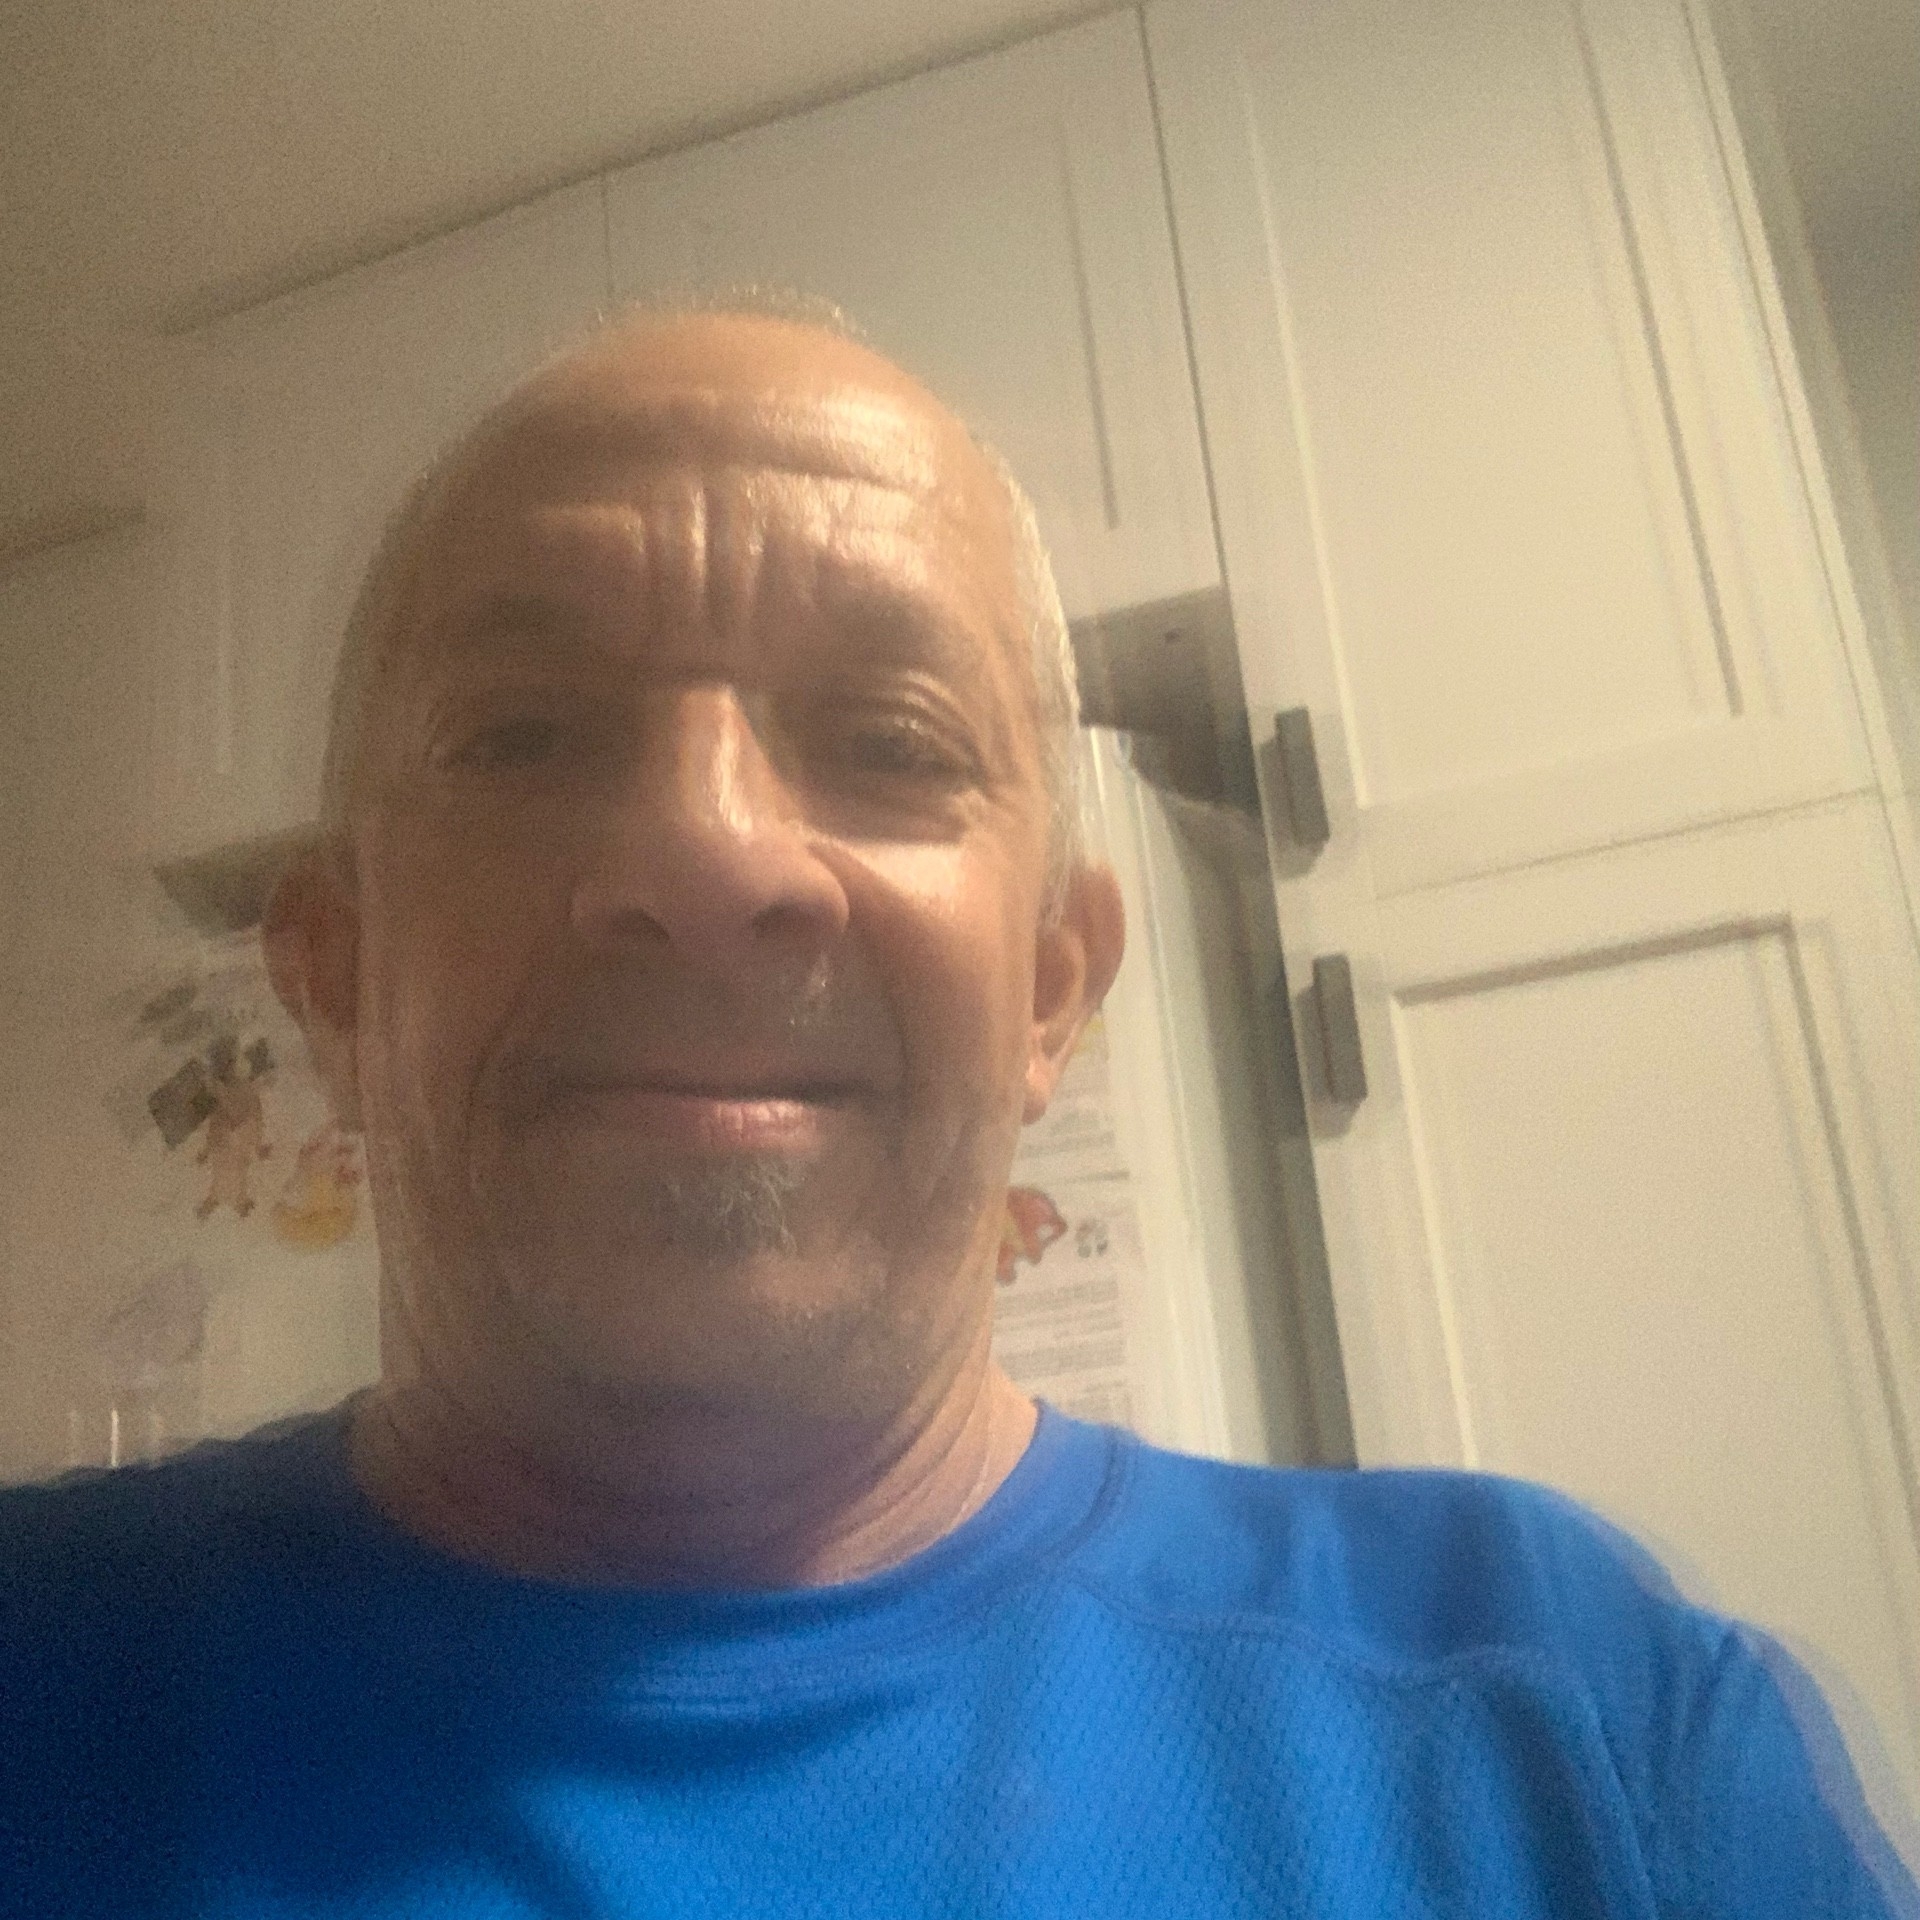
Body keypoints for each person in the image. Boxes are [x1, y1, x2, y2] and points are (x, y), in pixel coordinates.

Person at [2, 307, 1913, 1918]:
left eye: (890, 742)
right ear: (335, 975)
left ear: (1052, 989)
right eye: (524, 735)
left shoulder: (1577, 1720)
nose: (710, 852)